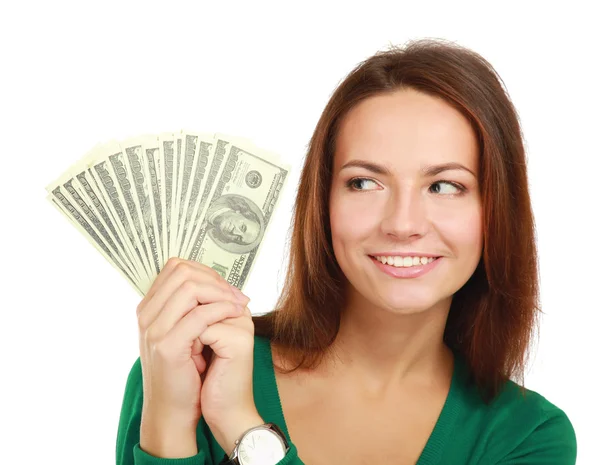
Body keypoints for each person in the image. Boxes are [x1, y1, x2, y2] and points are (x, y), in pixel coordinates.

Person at [116, 38, 577, 465]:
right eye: (364, 182)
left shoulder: (527, 436)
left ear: (496, 210)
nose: (402, 224)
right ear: (323, 204)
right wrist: (173, 419)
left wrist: (242, 427)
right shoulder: (182, 367)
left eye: (445, 185)